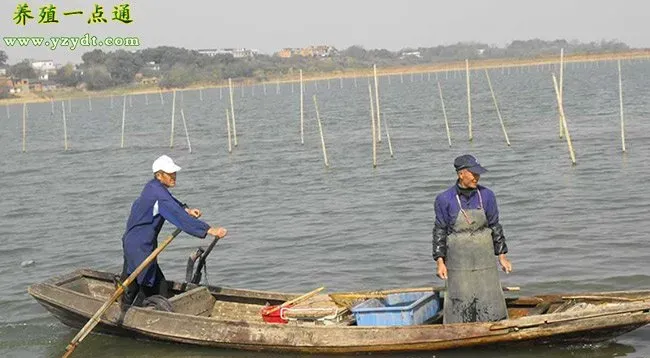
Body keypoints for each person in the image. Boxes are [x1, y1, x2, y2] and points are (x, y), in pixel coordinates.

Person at [120, 155, 227, 307]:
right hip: (140, 246)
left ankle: (125, 307)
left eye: (174, 173)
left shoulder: (152, 187)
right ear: (159, 175)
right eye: (170, 174)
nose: (174, 177)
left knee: (133, 283)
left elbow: (171, 203)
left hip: (132, 242)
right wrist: (209, 230)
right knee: (156, 287)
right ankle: (134, 313)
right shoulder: (158, 194)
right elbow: (179, 218)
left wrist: (186, 209)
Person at [432, 154, 512, 324]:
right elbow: (440, 231)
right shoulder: (444, 199)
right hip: (458, 259)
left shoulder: (487, 195)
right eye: (473, 173)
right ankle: (458, 327)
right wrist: (440, 262)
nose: (477, 177)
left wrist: (502, 256)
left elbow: (495, 226)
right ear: (461, 174)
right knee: (461, 296)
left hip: (485, 257)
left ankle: (494, 322)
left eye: (478, 173)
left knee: (488, 293)